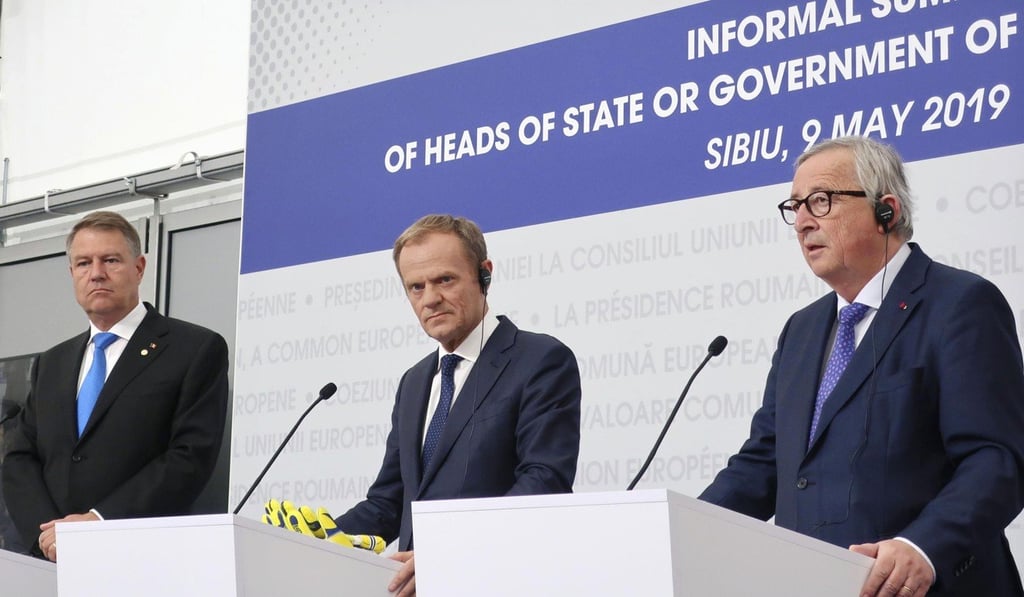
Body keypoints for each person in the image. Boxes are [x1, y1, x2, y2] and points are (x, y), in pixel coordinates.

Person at [699, 136, 1024, 596]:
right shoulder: (802, 331)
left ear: (885, 211)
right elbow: (763, 465)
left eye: (821, 200)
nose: (803, 221)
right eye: (795, 206)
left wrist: (923, 547)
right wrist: (678, 528)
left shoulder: (960, 305)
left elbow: (997, 459)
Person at [334, 214, 582, 596]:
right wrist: (317, 538)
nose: (430, 298)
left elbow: (543, 482)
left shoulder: (540, 359)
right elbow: (388, 503)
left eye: (444, 280)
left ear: (484, 275)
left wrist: (447, 554)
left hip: (499, 583)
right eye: (415, 287)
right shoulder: (414, 382)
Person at [2, 211, 229, 562]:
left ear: (139, 268)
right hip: (51, 563)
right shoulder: (52, 363)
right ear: (72, 273)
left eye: (110, 260)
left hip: (145, 556)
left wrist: (100, 520)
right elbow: (20, 458)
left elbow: (190, 456)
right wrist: (47, 534)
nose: (96, 273)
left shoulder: (194, 349)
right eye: (83, 263)